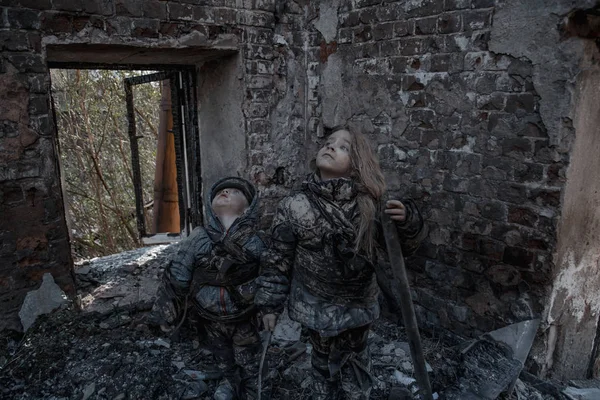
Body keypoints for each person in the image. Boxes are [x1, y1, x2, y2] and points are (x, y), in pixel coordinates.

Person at [254, 127, 427, 399]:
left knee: (356, 369)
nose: (331, 147)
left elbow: (402, 250)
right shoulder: (295, 206)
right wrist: (269, 305)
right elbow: (277, 260)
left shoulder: (371, 205)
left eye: (344, 147)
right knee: (321, 367)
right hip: (315, 306)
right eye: (328, 143)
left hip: (356, 308)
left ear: (357, 164)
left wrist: (407, 222)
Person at [151, 177, 267, 400]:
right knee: (222, 355)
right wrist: (166, 314)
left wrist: (270, 308)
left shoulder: (256, 241)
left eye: (235, 192)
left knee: (250, 358)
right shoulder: (198, 238)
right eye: (221, 191)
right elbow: (177, 276)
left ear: (247, 209)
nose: (226, 193)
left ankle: (253, 389)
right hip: (210, 318)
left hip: (243, 317)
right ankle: (229, 383)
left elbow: (271, 275)